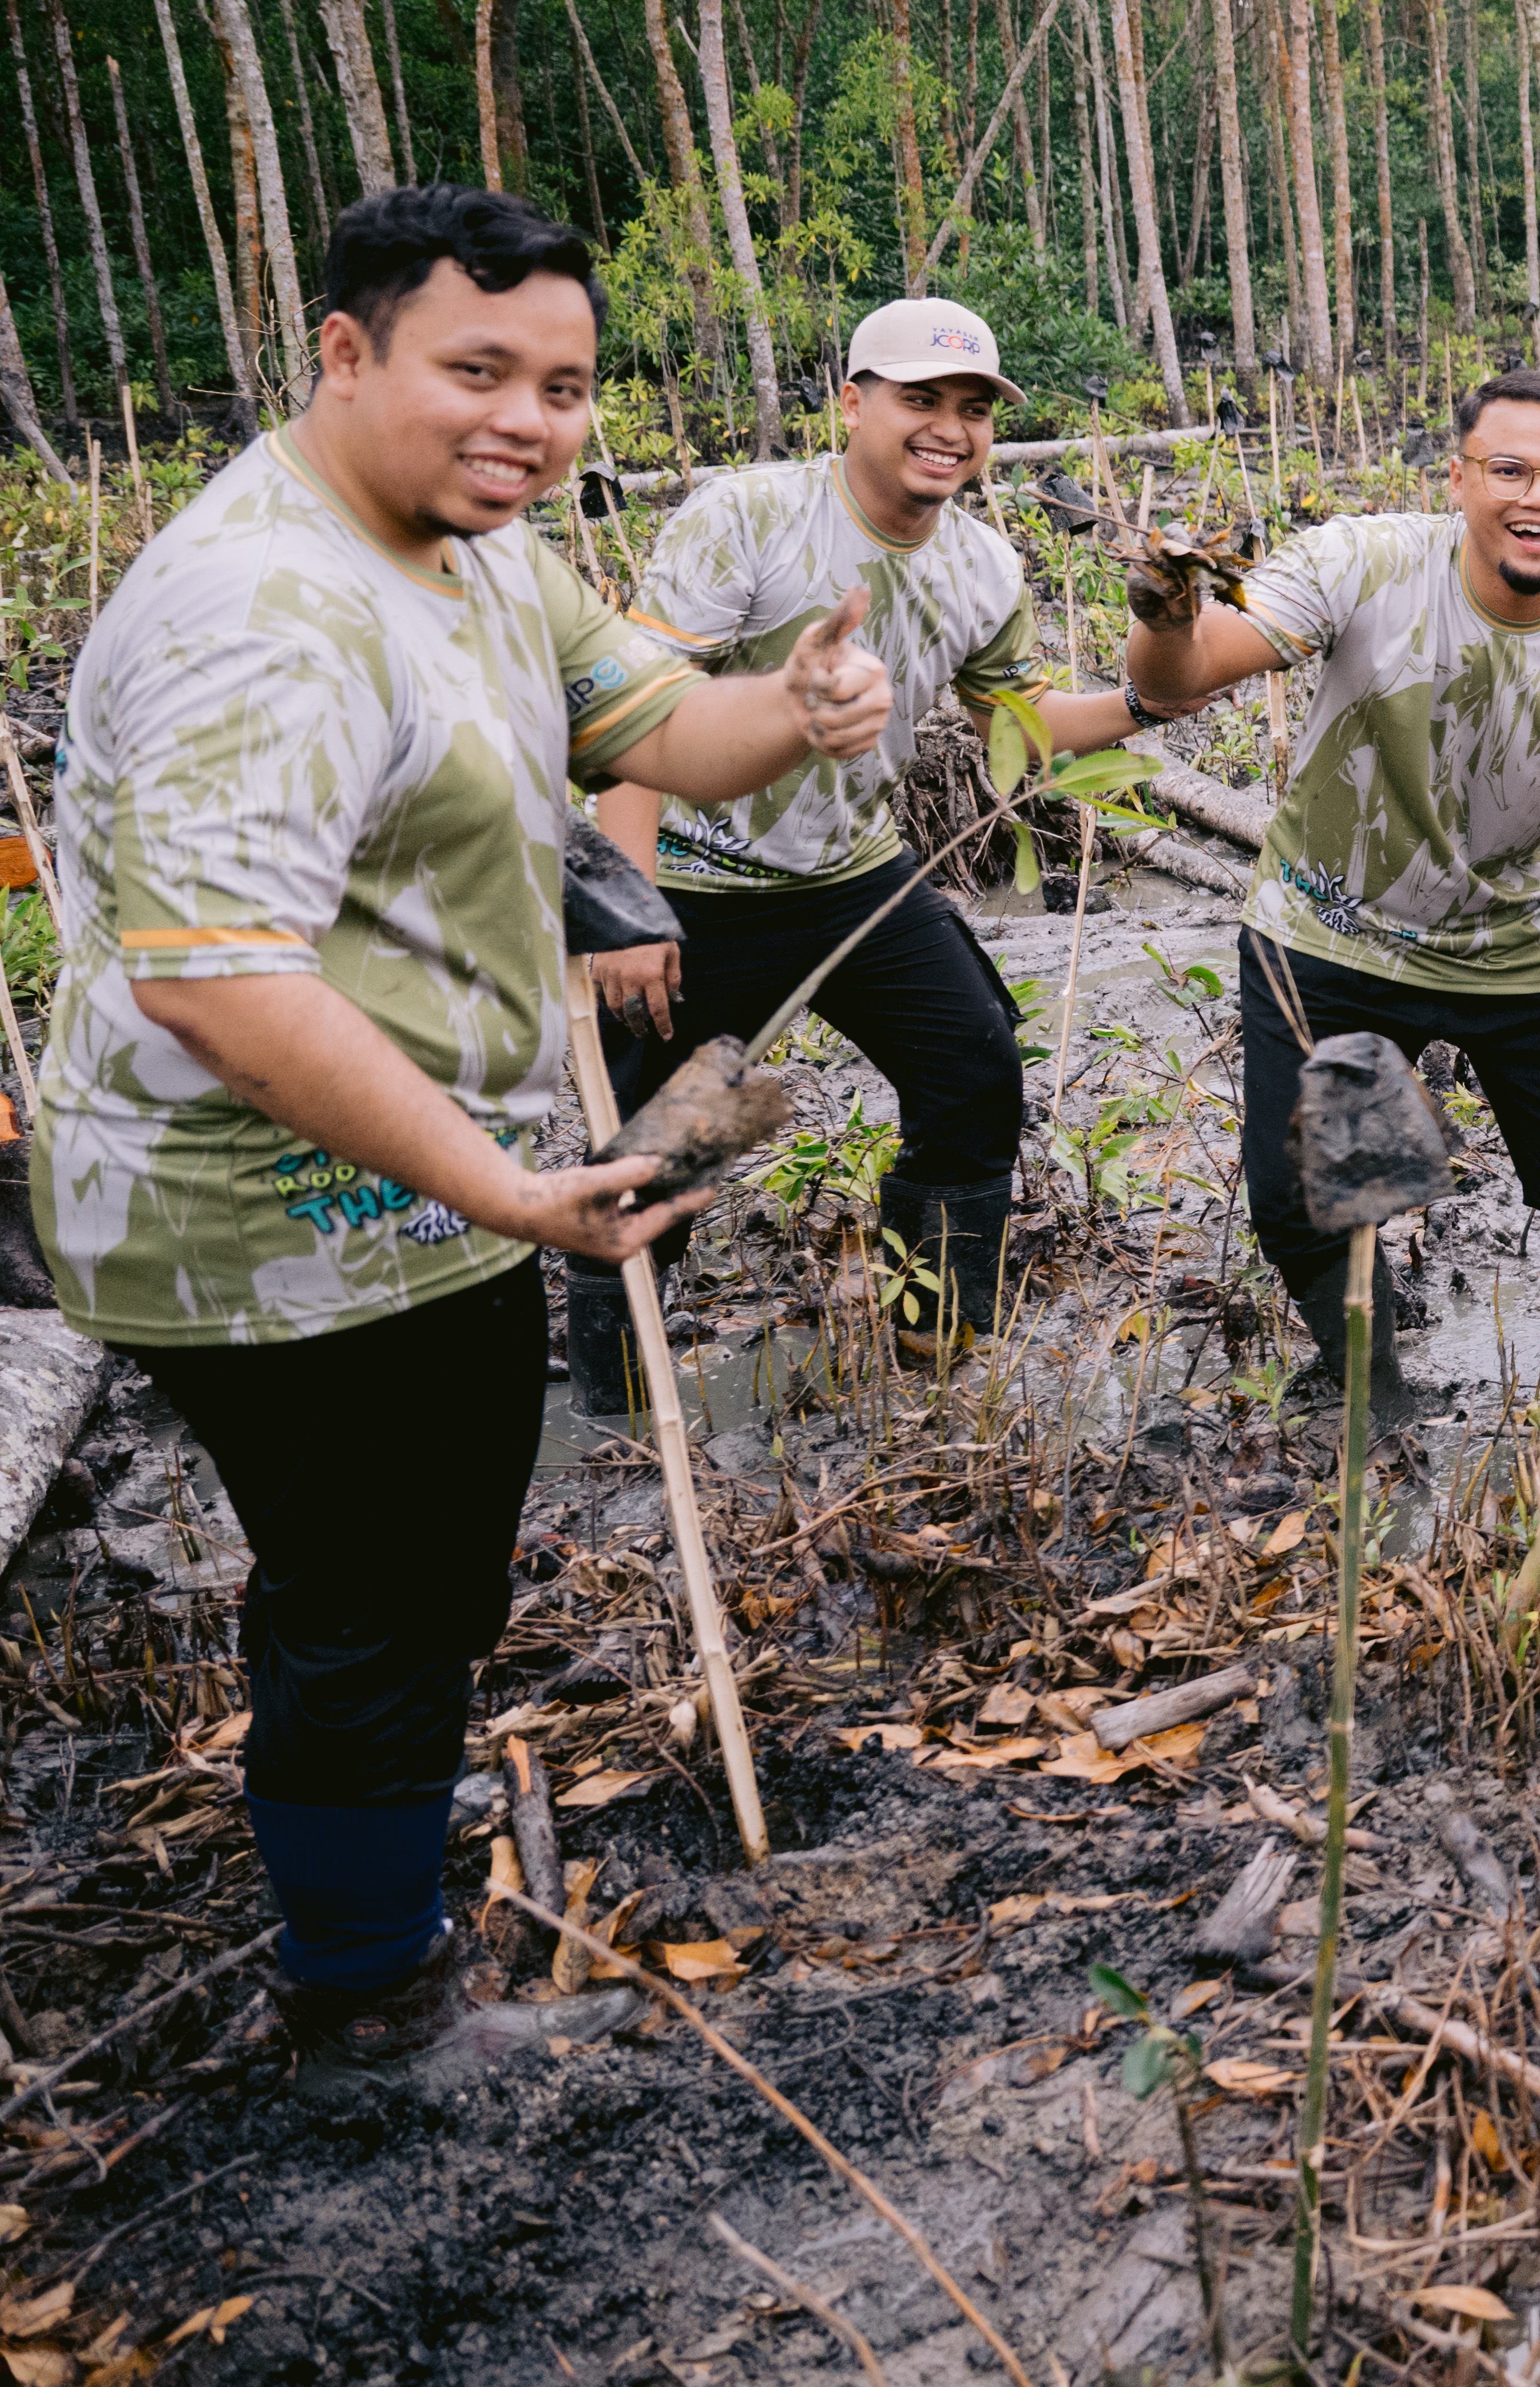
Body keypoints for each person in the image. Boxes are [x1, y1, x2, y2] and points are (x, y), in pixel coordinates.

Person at [21, 185, 895, 2081]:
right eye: (474, 370)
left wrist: (801, 709)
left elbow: (661, 724)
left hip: (414, 1189)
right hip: (264, 1210)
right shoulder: (265, 614)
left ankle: (374, 1886)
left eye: (564, 383)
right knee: (375, 1593)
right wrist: (508, 1186)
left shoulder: (477, 544)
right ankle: (365, 1998)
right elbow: (220, 986)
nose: (528, 418)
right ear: (346, 351)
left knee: (409, 1575)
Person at [1121, 367, 1540, 1413]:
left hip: (1511, 950)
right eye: (1509, 469)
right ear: (1458, 477)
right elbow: (1181, 679)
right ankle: (1369, 1383)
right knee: (1298, 1193)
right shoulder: (1364, 562)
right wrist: (1165, 609)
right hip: (1327, 928)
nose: (1537, 496)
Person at [571, 296, 1138, 1398]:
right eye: (920, 398)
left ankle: (932, 1342)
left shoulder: (983, 565)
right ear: (853, 402)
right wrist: (625, 908)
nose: (950, 427)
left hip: (856, 878)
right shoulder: (749, 516)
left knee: (972, 1071)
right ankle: (618, 1409)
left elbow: (1025, 727)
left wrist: (1154, 694)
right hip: (695, 884)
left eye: (973, 408)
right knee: (662, 1149)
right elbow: (631, 712)